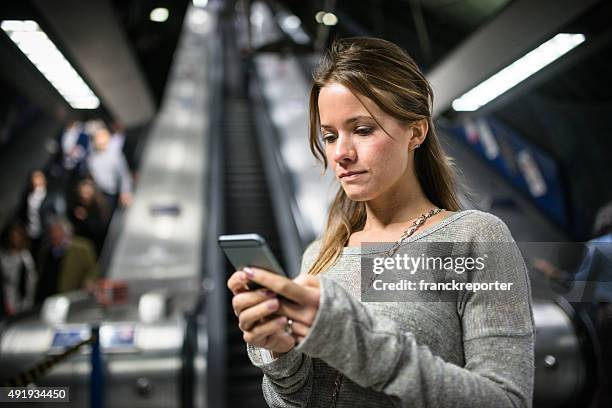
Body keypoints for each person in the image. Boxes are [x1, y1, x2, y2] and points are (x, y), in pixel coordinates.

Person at [227, 37, 534, 407]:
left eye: (362, 129)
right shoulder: (321, 254)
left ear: (416, 132)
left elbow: (506, 401)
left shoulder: (474, 237)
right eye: (329, 136)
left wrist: (346, 336)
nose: (341, 153)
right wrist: (280, 354)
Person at [35, 217, 97, 304]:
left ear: (66, 233)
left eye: (57, 232)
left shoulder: (82, 248)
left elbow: (92, 270)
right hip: (48, 298)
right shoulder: (46, 250)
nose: (54, 235)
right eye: (52, 232)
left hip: (71, 297)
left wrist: (89, 282)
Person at [86, 120, 133, 212]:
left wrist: (125, 192)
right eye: (97, 137)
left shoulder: (114, 153)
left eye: (103, 136)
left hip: (117, 193)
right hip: (103, 193)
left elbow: (124, 174)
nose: (101, 140)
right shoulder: (91, 159)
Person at [0, 222, 37, 314]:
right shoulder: (3, 255)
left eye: (17, 237)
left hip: (20, 301)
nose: (15, 239)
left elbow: (30, 282)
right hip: (5, 297)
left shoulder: (26, 258)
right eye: (13, 236)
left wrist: (27, 303)